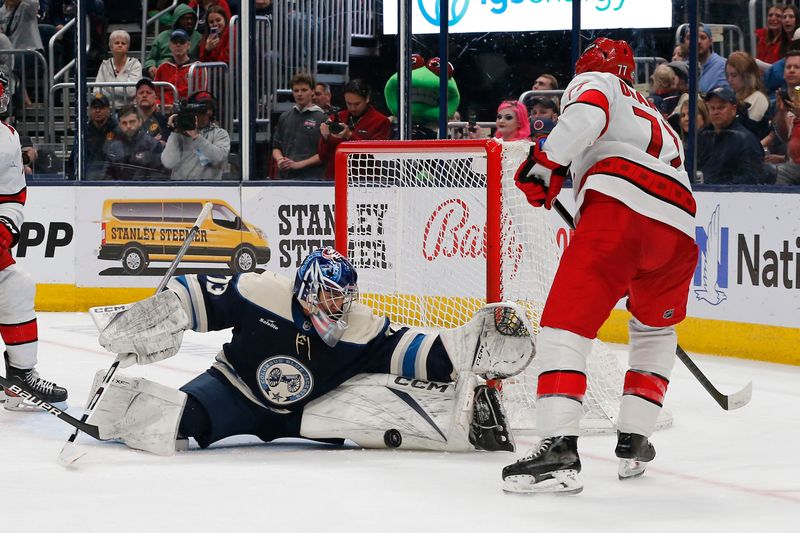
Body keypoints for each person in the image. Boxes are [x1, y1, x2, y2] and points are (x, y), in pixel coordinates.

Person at [86, 246, 533, 455]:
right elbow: (192, 295)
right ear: (309, 291)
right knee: (176, 424)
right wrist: (152, 318)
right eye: (332, 297)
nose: (341, 306)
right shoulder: (259, 291)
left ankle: (475, 419)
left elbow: (415, 352)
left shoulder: (361, 327)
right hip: (234, 387)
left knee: (389, 417)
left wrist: (467, 346)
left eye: (346, 297)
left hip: (313, 408)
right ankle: (111, 405)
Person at [502, 38, 698, 495]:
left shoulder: (596, 82)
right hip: (680, 228)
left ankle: (556, 447)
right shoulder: (656, 115)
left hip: (619, 209)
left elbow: (586, 116)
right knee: (654, 330)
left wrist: (546, 162)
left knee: (564, 329)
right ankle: (636, 437)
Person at [0, 72, 68, 410]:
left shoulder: (7, 138)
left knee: (17, 287)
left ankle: (20, 379)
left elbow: (12, 197)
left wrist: (4, 231)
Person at [317, 79, 391, 179]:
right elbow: (322, 157)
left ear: (367, 99)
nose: (352, 108)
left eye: (357, 104)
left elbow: (376, 157)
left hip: (364, 182)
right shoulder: (337, 117)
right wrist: (325, 138)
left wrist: (350, 136)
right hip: (334, 179)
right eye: (349, 103)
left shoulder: (381, 121)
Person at [696, 86, 765, 184]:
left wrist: (720, 188)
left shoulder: (745, 140)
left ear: (733, 109)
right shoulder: (702, 136)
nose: (716, 112)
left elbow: (752, 177)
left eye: (721, 108)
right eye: (712, 108)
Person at [161, 90, 230, 180]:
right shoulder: (180, 134)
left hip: (208, 190)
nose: (206, 113)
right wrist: (174, 133)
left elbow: (219, 158)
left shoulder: (220, 134)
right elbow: (168, 163)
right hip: (179, 189)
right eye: (201, 110)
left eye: (209, 108)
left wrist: (196, 137)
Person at [271, 71, 327, 179]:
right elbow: (276, 147)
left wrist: (298, 165)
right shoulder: (284, 117)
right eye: (296, 90)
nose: (299, 94)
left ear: (312, 91)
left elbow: (324, 154)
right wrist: (280, 160)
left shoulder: (323, 118)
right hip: (285, 178)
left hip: (312, 179)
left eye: (304, 90)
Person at [103, 104, 165, 180]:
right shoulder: (114, 148)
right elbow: (107, 176)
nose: (128, 126)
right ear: (119, 125)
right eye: (124, 123)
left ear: (140, 122)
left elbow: (160, 175)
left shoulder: (154, 145)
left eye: (132, 122)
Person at [67, 92, 118, 180]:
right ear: (90, 110)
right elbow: (74, 160)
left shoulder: (117, 131)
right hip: (87, 180)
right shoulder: (83, 133)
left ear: (108, 110)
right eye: (94, 108)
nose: (97, 111)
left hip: (112, 179)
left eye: (101, 107)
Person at [143, 4, 201, 78]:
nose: (189, 21)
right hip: (160, 73)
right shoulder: (162, 36)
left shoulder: (199, 37)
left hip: (186, 75)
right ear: (177, 20)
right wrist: (151, 66)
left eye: (192, 18)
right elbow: (151, 58)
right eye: (185, 19)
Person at [154, 29, 205, 109]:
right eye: (175, 42)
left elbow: (201, 94)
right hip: (165, 109)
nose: (178, 45)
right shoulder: (163, 67)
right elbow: (156, 93)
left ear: (188, 45)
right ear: (170, 46)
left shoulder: (198, 67)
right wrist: (159, 105)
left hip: (188, 110)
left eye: (182, 42)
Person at [725, 51, 770, 139]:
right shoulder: (733, 97)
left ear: (747, 75)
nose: (729, 80)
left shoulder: (758, 98)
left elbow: (748, 133)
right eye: (727, 75)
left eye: (734, 75)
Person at [95, 30, 143, 108]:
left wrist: (107, 86)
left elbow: (131, 92)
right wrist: (121, 90)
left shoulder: (135, 64)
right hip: (107, 108)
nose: (120, 45)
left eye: (123, 43)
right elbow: (96, 90)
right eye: (117, 43)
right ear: (110, 46)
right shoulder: (105, 65)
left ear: (127, 47)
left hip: (129, 109)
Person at [688, 23, 728, 94]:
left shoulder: (722, 66)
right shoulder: (686, 67)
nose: (698, 41)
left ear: (710, 42)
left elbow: (724, 101)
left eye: (703, 37)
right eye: (692, 37)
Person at [134, 78, 170, 145]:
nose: (144, 95)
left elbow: (162, 146)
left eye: (148, 93)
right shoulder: (128, 121)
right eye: (141, 93)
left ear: (155, 98)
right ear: (135, 98)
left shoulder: (163, 121)